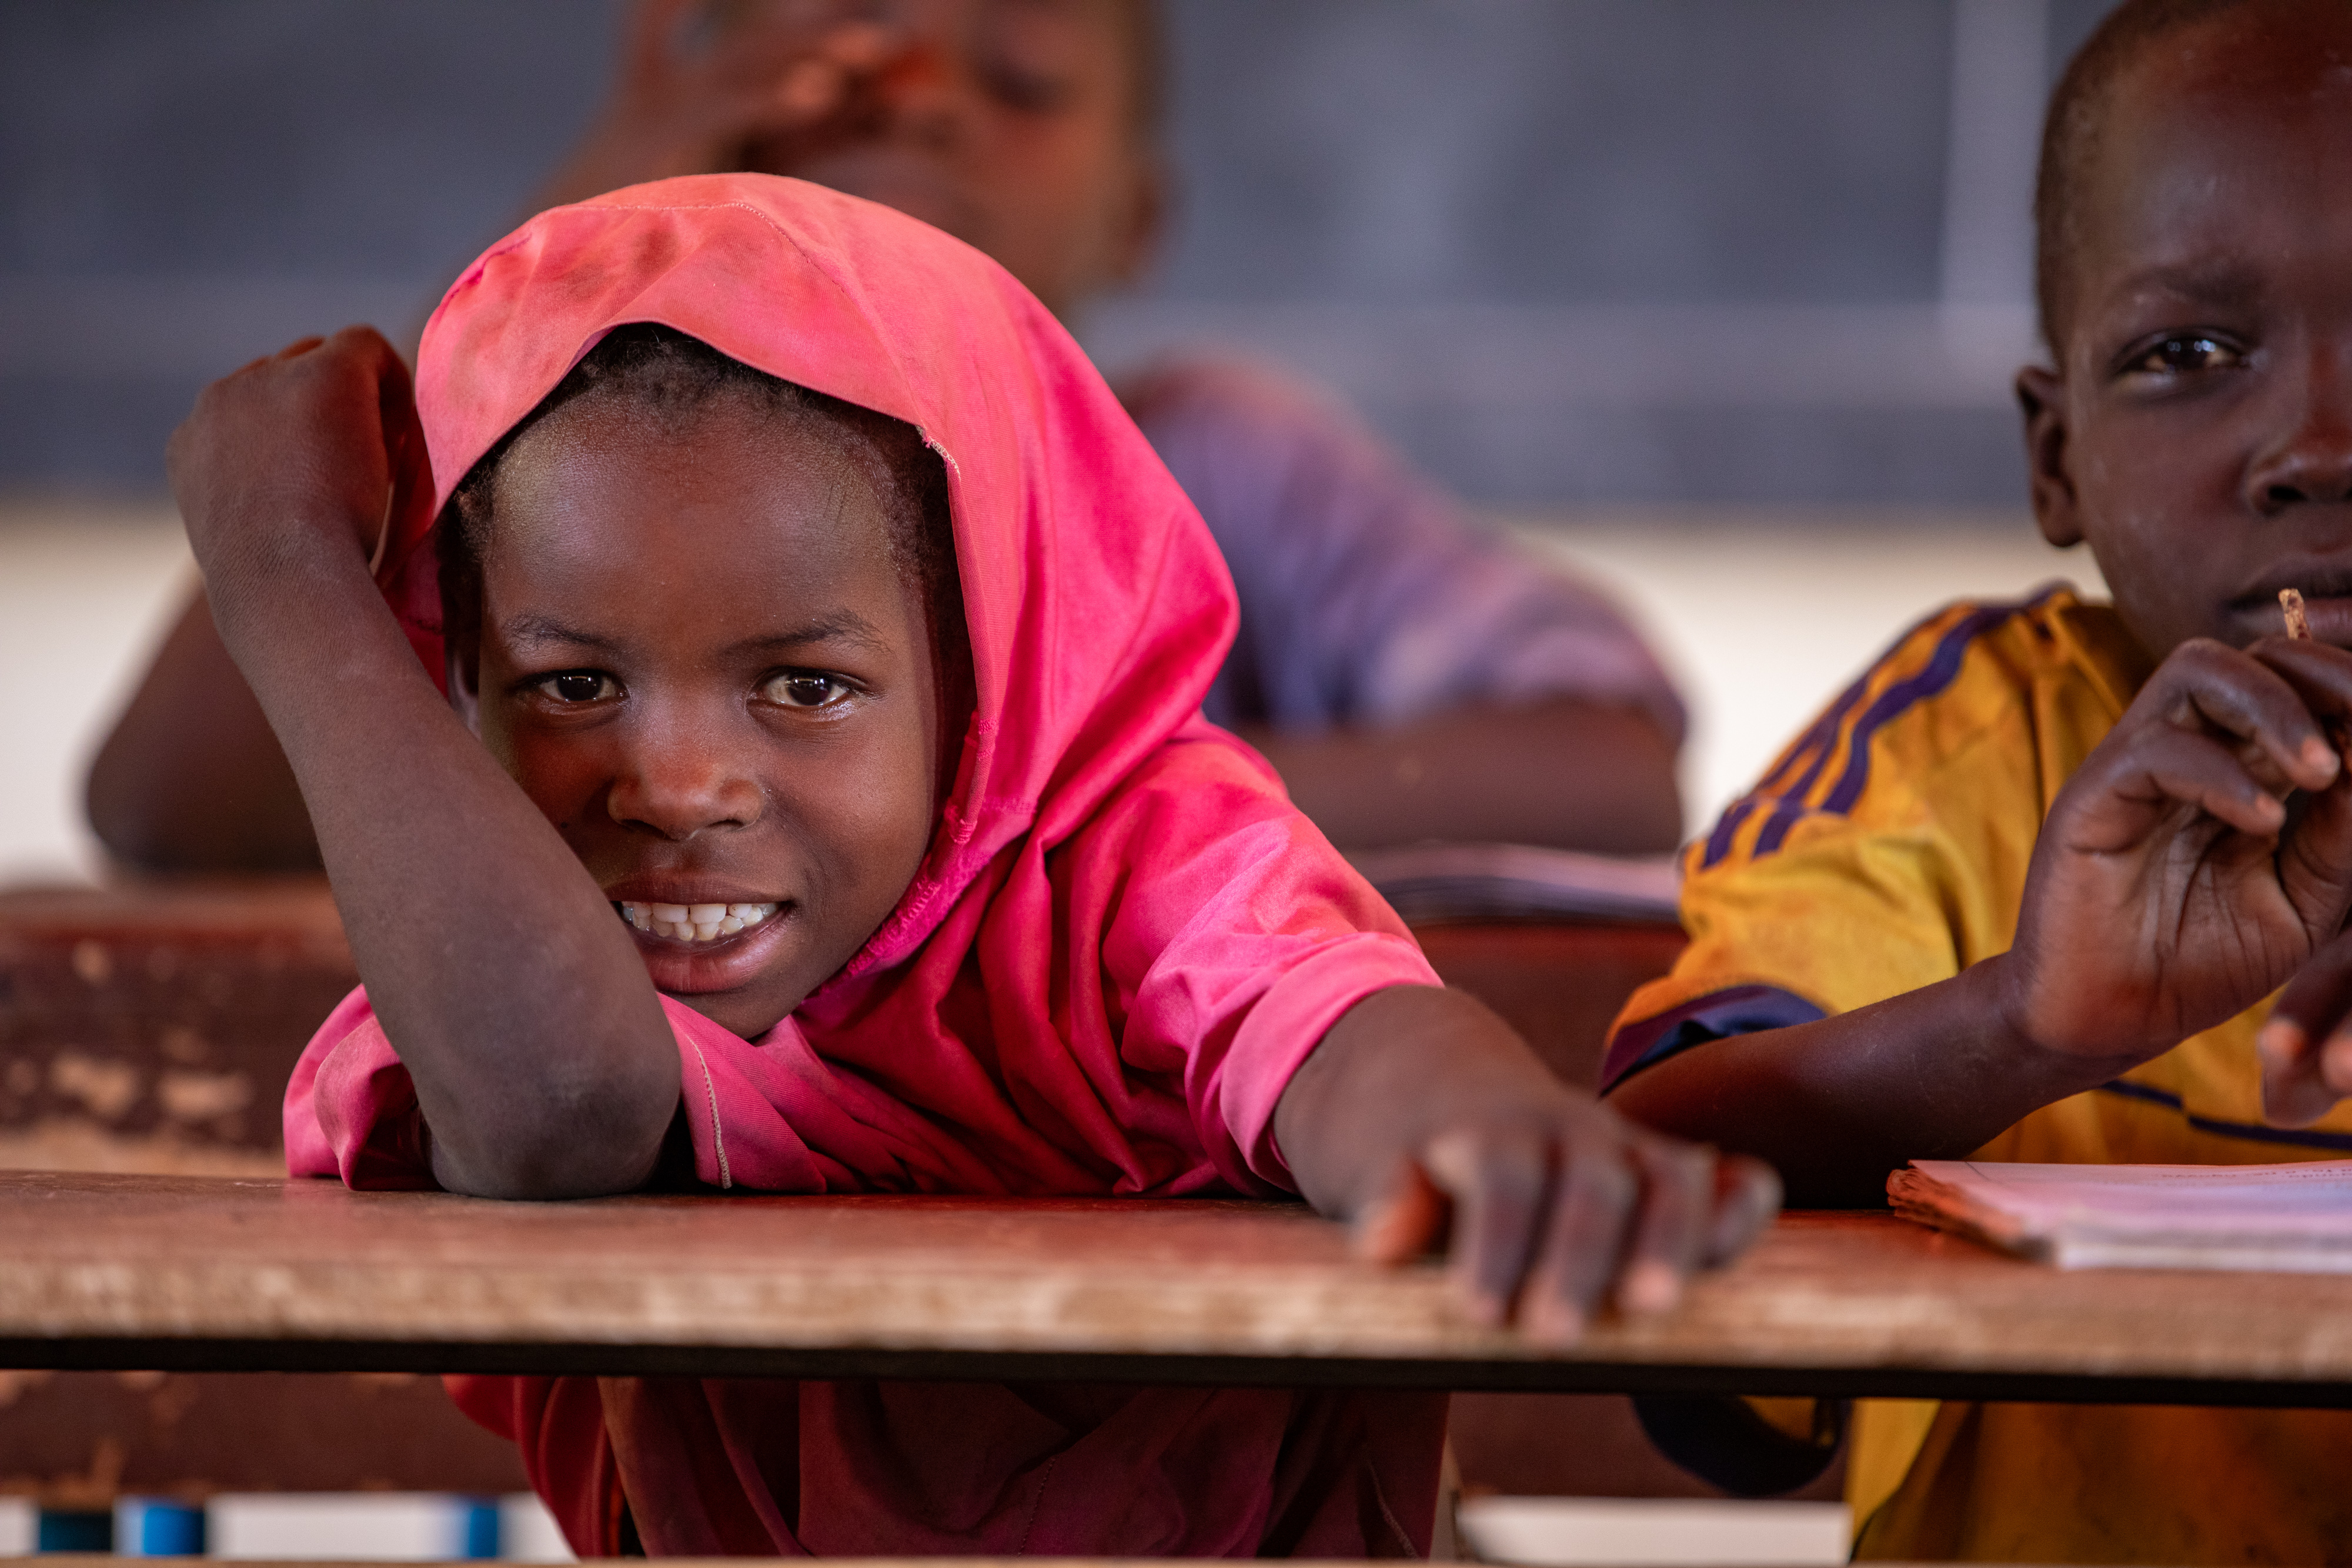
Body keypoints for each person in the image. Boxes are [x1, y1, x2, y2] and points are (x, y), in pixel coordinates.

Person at [171, 174, 1775, 1556]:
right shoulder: (496, 970)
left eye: (804, 685)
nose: (673, 784)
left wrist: (1477, 1130)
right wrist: (297, 580)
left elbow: (1335, 1026)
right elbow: (553, 1109)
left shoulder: (1133, 863)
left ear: (984, 668)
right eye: (570, 685)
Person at [84, 0, 1686, 871]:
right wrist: (567, 243)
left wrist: (1083, 814)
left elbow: (1607, 770)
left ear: (1138, 218)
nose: (922, 100)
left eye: (1022, 75)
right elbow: (173, 811)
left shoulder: (1213, 462)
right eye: (846, 50)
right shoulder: (558, 482)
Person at [1600, 1, 2352, 1560]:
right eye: (2190, 353)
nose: (2320, 445)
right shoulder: (1968, 749)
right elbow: (1651, 1189)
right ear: (2055, 456)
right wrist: (2020, 1023)